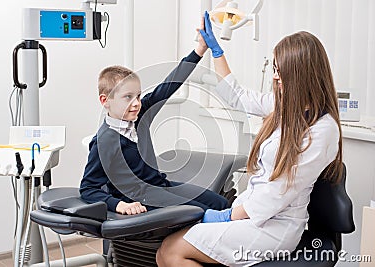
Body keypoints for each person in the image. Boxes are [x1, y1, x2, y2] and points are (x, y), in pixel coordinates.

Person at [156, 11, 343, 267]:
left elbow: (279, 193)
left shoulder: (323, 130)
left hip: (275, 227)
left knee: (172, 252)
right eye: (275, 69)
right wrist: (217, 53)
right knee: (164, 249)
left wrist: (228, 216)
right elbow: (238, 97)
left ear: (301, 74)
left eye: (281, 71)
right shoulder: (286, 106)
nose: (275, 77)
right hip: (253, 214)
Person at [79, 20, 229, 215]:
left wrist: (199, 50)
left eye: (138, 96)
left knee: (220, 203)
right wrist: (119, 205)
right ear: (105, 100)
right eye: (127, 97)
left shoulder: (140, 116)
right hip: (140, 198)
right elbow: (88, 188)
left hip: (161, 186)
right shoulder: (104, 142)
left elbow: (169, 84)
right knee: (202, 212)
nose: (136, 103)